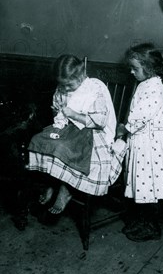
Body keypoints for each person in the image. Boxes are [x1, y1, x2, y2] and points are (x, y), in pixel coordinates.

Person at [27, 54, 123, 218]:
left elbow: (100, 121)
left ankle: (65, 189)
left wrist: (73, 114)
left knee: (62, 147)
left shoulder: (94, 88)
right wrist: (58, 112)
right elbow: (58, 112)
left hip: (93, 132)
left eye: (68, 86)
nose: (64, 89)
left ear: (81, 77)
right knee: (39, 139)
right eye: (61, 85)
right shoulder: (63, 88)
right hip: (70, 129)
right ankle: (53, 182)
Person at [114, 43, 163, 242]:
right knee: (142, 185)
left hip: (151, 146)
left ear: (149, 68)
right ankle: (142, 220)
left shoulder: (154, 87)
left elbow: (140, 117)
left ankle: (152, 227)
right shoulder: (145, 83)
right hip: (142, 142)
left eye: (135, 68)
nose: (131, 71)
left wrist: (123, 129)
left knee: (149, 186)